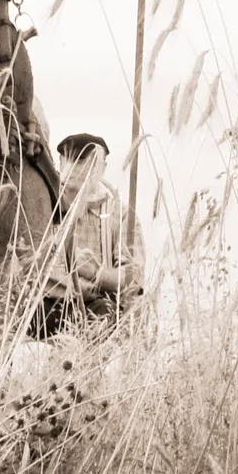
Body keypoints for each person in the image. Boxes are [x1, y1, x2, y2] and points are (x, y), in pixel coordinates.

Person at [36, 133, 146, 337]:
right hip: (44, 306)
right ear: (61, 163)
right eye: (75, 159)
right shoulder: (42, 207)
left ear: (103, 167)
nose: (82, 168)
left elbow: (134, 279)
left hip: (94, 309)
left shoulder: (119, 216)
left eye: (90, 162)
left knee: (105, 315)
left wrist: (96, 273)